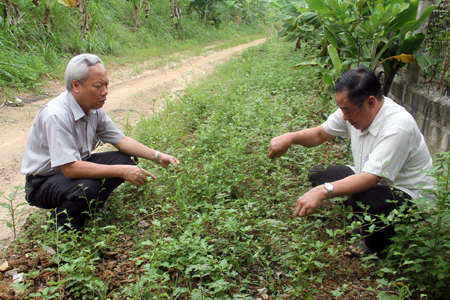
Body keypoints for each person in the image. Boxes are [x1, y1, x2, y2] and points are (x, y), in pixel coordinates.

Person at [268, 67, 435, 256]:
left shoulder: (398, 126)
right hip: (371, 176)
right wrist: (290, 137)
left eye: (348, 111)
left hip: (410, 195)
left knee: (361, 197)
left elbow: (370, 179)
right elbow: (320, 133)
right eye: (342, 110)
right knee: (319, 174)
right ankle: (365, 219)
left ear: (370, 102)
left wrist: (323, 192)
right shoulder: (354, 109)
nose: (344, 117)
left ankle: (376, 245)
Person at [21, 53, 180, 231]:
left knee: (126, 160)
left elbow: (120, 140)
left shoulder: (93, 109)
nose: (105, 92)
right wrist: (122, 171)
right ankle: (63, 228)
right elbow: (70, 169)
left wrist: (158, 156)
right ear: (76, 86)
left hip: (72, 168)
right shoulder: (56, 115)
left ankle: (92, 208)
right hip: (43, 182)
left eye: (106, 85)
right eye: (98, 86)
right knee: (88, 186)